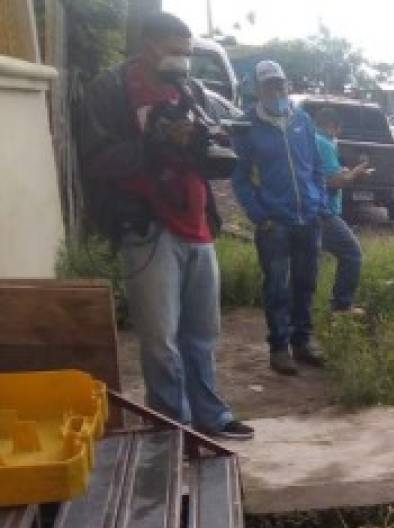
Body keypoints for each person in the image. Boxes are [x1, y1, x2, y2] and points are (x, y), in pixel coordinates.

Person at [78, 11, 254, 440]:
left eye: (188, 53)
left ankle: (210, 416)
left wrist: (204, 143)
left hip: (197, 224)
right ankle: (173, 426)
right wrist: (153, 146)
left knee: (203, 333)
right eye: (177, 52)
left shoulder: (189, 89)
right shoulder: (111, 90)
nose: (184, 61)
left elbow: (210, 148)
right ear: (149, 46)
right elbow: (95, 159)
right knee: (160, 340)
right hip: (147, 227)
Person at [232, 60, 328, 376]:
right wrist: (260, 215)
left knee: (306, 282)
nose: (277, 90)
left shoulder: (302, 120)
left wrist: (320, 203)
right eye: (269, 85)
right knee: (277, 285)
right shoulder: (246, 126)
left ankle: (303, 341)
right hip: (275, 221)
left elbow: (315, 166)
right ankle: (279, 348)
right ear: (257, 89)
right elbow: (240, 178)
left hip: (308, 217)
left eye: (280, 84)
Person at [314, 107, 369, 316]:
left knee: (311, 260)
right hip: (323, 211)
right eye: (338, 130)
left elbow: (327, 173)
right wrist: (355, 172)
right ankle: (342, 306)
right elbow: (335, 181)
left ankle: (303, 308)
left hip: (310, 209)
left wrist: (343, 172)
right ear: (332, 126)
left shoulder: (309, 140)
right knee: (352, 253)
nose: (338, 134)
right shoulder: (325, 144)